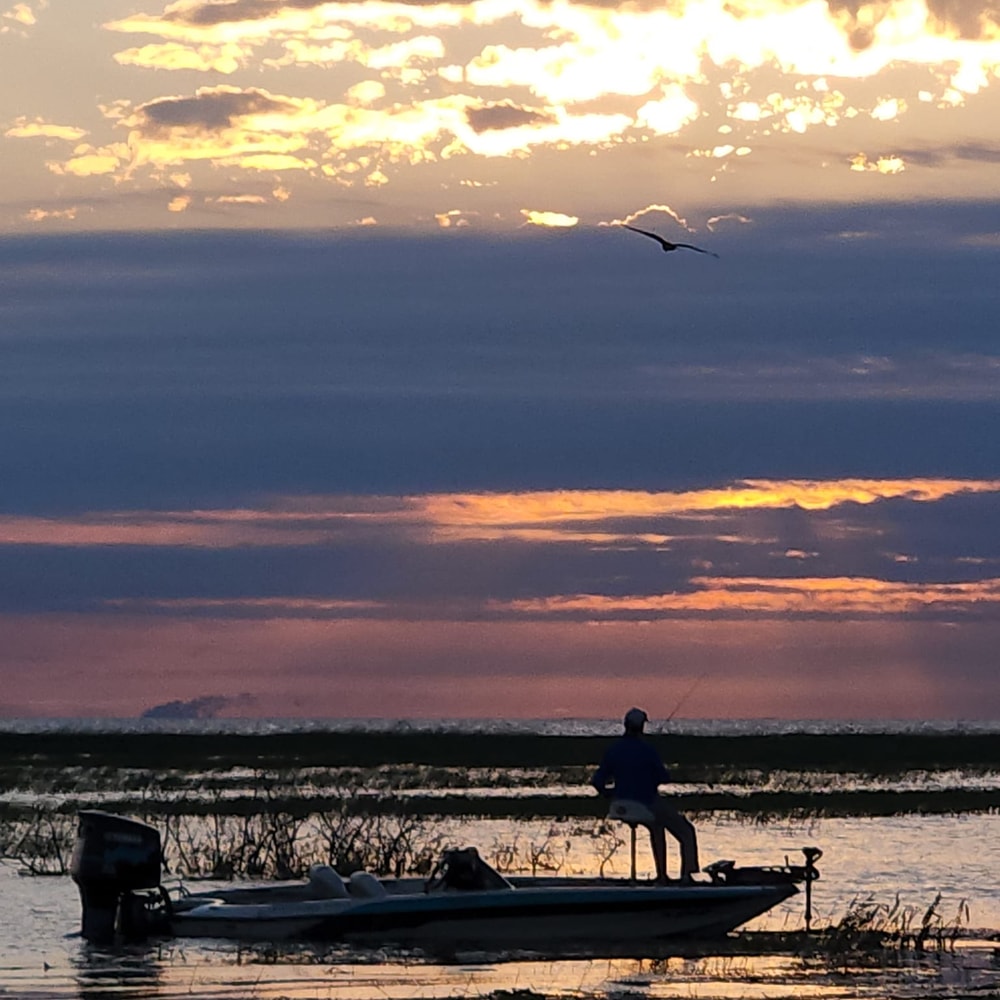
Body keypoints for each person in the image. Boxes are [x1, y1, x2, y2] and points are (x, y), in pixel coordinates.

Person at [591, 707, 700, 883]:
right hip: (646, 803)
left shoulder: (613, 750)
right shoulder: (648, 750)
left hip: (620, 805)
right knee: (686, 832)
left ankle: (662, 877)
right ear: (642, 727)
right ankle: (688, 876)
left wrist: (611, 794)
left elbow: (597, 782)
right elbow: (663, 777)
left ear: (625, 725)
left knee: (656, 827)